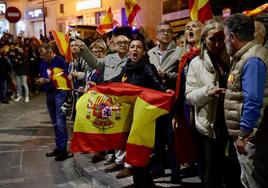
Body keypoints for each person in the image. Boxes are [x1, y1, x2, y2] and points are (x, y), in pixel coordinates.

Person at [105, 36, 167, 187]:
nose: (135, 49)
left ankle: (143, 183)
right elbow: (116, 80)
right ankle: (140, 182)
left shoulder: (147, 67)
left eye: (138, 47)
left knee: (140, 152)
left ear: (144, 51)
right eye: (132, 47)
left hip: (144, 119)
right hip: (130, 117)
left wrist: (167, 93)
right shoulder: (127, 68)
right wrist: (98, 85)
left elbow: (159, 88)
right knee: (133, 150)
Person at [185, 19, 241, 188]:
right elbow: (189, 96)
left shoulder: (233, 59)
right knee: (211, 172)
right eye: (212, 39)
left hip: (232, 121)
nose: (217, 44)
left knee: (233, 170)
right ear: (204, 40)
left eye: (220, 39)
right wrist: (207, 92)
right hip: (210, 124)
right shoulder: (196, 63)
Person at [224, 13, 268, 188]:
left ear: (233, 37)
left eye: (226, 37)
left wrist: (243, 135)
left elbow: (253, 101)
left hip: (252, 138)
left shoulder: (252, 60)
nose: (225, 42)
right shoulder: (245, 57)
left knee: (254, 182)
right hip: (251, 136)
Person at [147, 20, 183, 183]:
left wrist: (168, 76)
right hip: (154, 101)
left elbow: (184, 76)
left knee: (172, 137)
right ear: (157, 34)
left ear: (172, 34)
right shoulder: (150, 53)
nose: (166, 33)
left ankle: (176, 171)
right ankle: (159, 168)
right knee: (157, 138)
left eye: (169, 31)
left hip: (172, 100)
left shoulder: (180, 52)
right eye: (162, 31)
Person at [36, 43, 71, 161]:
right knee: (55, 122)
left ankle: (63, 151)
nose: (44, 58)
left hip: (60, 93)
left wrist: (47, 81)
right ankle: (59, 147)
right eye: (42, 56)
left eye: (45, 55)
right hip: (49, 94)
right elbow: (43, 75)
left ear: (50, 51)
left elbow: (64, 79)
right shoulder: (42, 63)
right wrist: (40, 81)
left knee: (60, 122)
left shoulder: (59, 61)